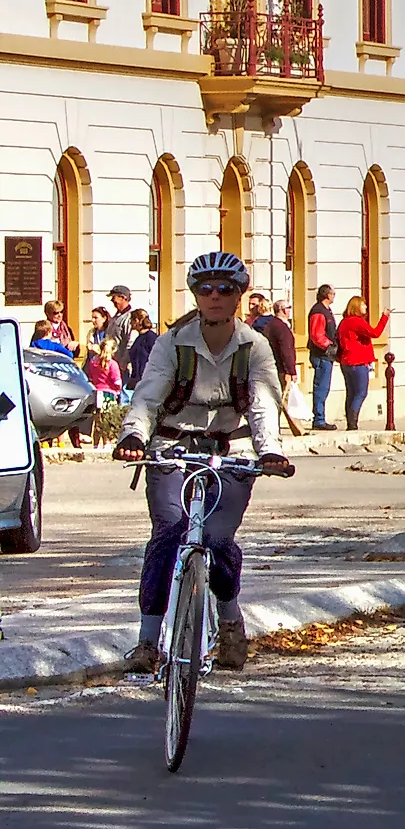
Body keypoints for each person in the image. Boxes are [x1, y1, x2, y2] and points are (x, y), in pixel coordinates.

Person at [111, 250, 296, 674]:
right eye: (206, 289)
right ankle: (147, 641)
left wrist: (270, 451)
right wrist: (134, 435)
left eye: (225, 290)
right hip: (172, 447)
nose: (215, 297)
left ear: (239, 296)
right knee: (169, 533)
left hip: (232, 451)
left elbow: (265, 403)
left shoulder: (255, 346)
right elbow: (149, 394)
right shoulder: (172, 343)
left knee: (215, 539)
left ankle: (229, 620)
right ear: (195, 295)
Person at [336, 295, 388, 431]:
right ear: (357, 307)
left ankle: (350, 421)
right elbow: (375, 333)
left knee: (351, 393)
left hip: (345, 361)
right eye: (363, 305)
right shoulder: (357, 322)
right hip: (358, 361)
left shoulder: (344, 322)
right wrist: (385, 317)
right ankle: (353, 422)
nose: (366, 307)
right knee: (361, 393)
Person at [247, 291, 299, 393]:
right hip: (280, 368)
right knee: (284, 399)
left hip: (269, 365)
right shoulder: (280, 326)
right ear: (284, 311)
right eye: (288, 308)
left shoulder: (271, 324)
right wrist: (290, 371)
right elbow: (286, 349)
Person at [305, 284, 339, 432]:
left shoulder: (326, 311)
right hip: (321, 355)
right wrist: (328, 346)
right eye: (333, 293)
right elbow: (316, 334)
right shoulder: (319, 311)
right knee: (321, 387)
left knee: (324, 387)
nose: (334, 296)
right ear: (327, 295)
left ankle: (320, 417)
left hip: (326, 355)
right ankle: (319, 419)